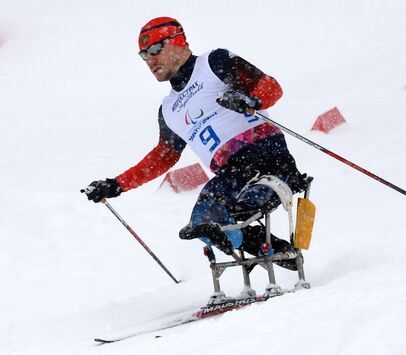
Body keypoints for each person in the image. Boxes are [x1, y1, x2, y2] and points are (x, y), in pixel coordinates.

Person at [83, 17, 307, 267]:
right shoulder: (169, 109)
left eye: (156, 49)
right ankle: (280, 252)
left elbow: (269, 86)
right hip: (231, 175)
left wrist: (252, 100)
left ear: (178, 43)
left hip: (271, 162)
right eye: (143, 54)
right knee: (203, 222)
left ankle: (280, 253)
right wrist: (116, 185)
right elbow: (163, 156)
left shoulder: (213, 63)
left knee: (244, 209)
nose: (150, 59)